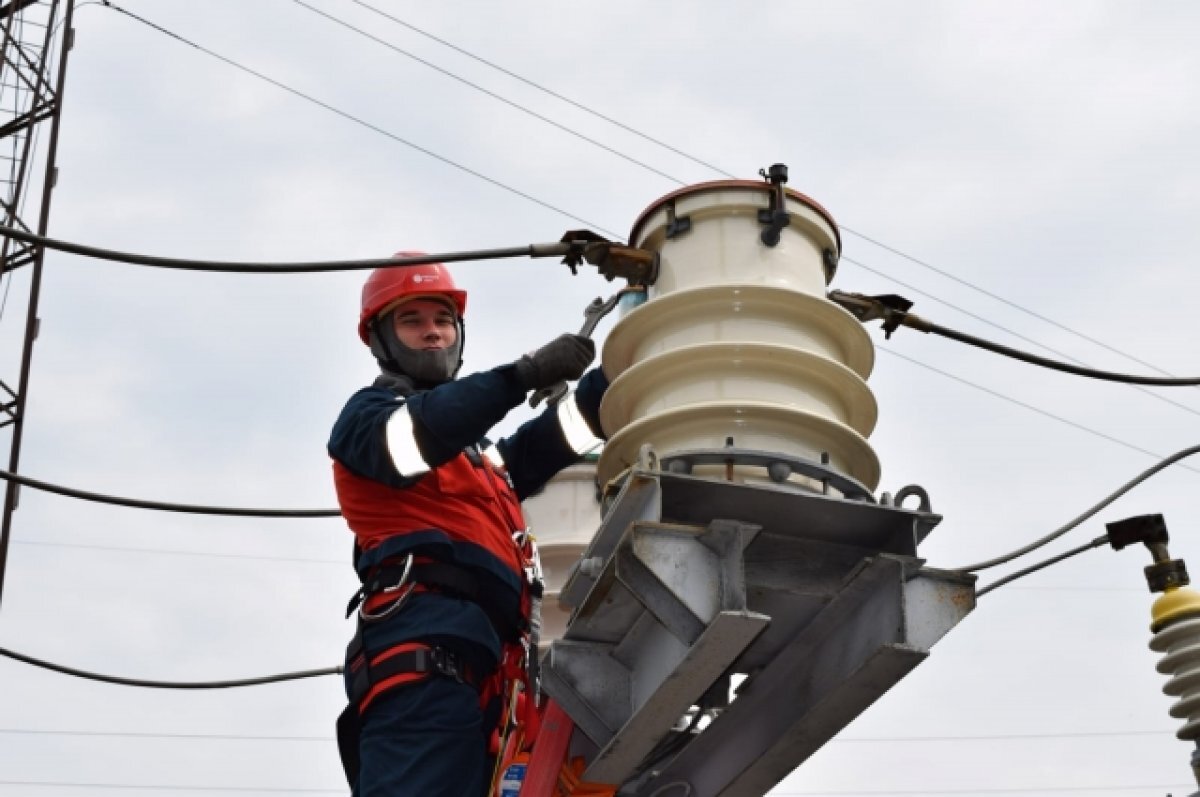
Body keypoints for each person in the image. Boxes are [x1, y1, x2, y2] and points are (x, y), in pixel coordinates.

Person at [328, 255, 608, 797]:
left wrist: (612, 381)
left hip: (492, 678)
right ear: (382, 339)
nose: (432, 333)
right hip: (423, 666)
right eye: (413, 321)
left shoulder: (477, 459)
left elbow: (543, 443)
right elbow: (426, 430)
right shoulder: (370, 420)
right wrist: (523, 374)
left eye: (443, 320)